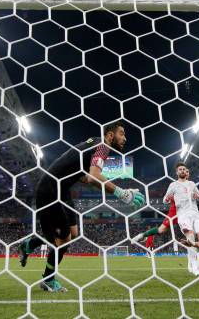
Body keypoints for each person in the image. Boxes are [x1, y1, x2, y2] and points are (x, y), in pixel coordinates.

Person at [19, 121, 145, 292]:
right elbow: (94, 176)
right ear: (110, 135)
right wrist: (122, 193)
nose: (125, 138)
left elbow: (85, 178)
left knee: (73, 234)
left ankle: (30, 244)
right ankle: (48, 279)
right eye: (121, 133)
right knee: (62, 241)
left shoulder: (92, 144)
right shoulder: (102, 146)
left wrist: (113, 186)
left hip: (61, 189)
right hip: (50, 189)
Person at [163, 162, 199, 276]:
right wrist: (168, 198)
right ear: (177, 172)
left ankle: (191, 264)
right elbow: (165, 200)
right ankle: (196, 266)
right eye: (180, 169)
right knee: (191, 237)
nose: (182, 171)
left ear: (186, 172)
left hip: (196, 214)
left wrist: (198, 197)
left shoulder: (192, 184)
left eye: (184, 169)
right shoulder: (173, 185)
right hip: (183, 214)